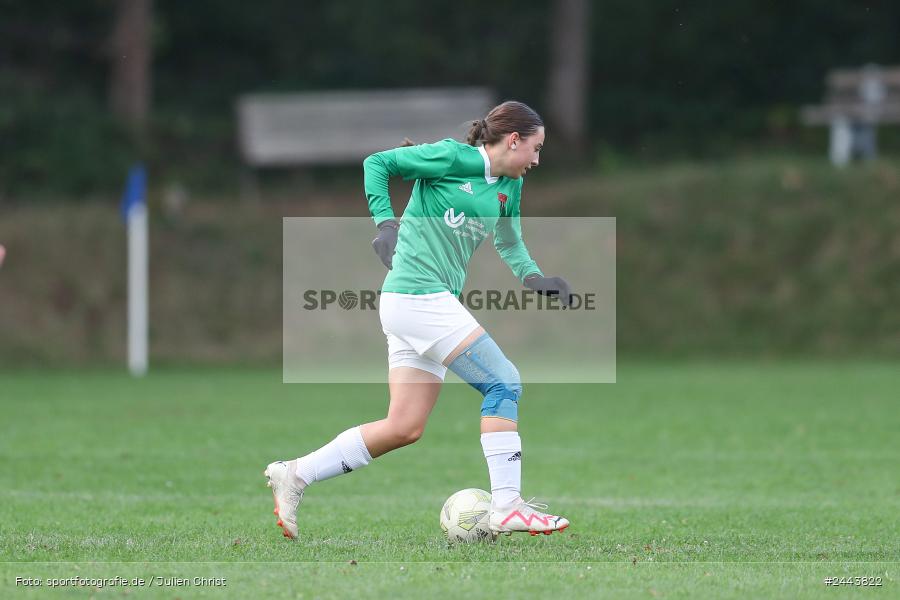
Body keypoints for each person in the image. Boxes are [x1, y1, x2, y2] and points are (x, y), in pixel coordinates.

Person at [265, 100, 572, 540]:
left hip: (417, 304)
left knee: (404, 427)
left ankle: (295, 474)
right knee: (503, 382)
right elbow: (377, 163)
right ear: (513, 140)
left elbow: (509, 241)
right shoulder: (452, 157)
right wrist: (385, 224)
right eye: (536, 149)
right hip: (416, 296)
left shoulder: (508, 186)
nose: (537, 160)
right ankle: (508, 507)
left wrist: (536, 278)